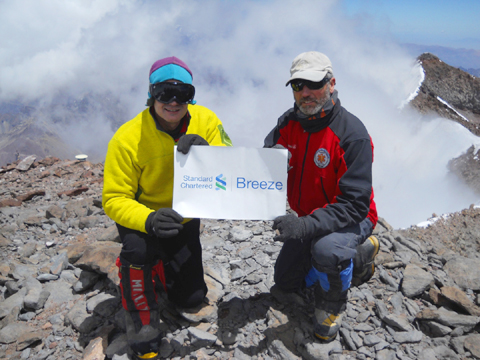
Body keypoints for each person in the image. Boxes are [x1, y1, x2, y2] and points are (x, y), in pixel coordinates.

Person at [102, 56, 232, 359]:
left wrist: (209, 153)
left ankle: (162, 267)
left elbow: (230, 159)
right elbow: (113, 198)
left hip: (184, 216)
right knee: (137, 251)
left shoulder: (207, 120)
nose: (173, 102)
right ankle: (141, 320)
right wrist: (148, 221)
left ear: (192, 96)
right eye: (164, 93)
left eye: (182, 94)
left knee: (191, 299)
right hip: (143, 217)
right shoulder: (127, 138)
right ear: (151, 94)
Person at [264, 51, 379, 343]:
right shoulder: (288, 123)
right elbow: (261, 163)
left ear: (331, 83)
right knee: (286, 283)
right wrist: (204, 154)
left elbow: (354, 204)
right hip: (311, 217)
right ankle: (355, 256)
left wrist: (303, 226)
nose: (305, 93)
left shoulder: (352, 135)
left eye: (313, 84)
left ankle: (332, 305)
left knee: (327, 250)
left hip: (354, 215)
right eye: (297, 86)